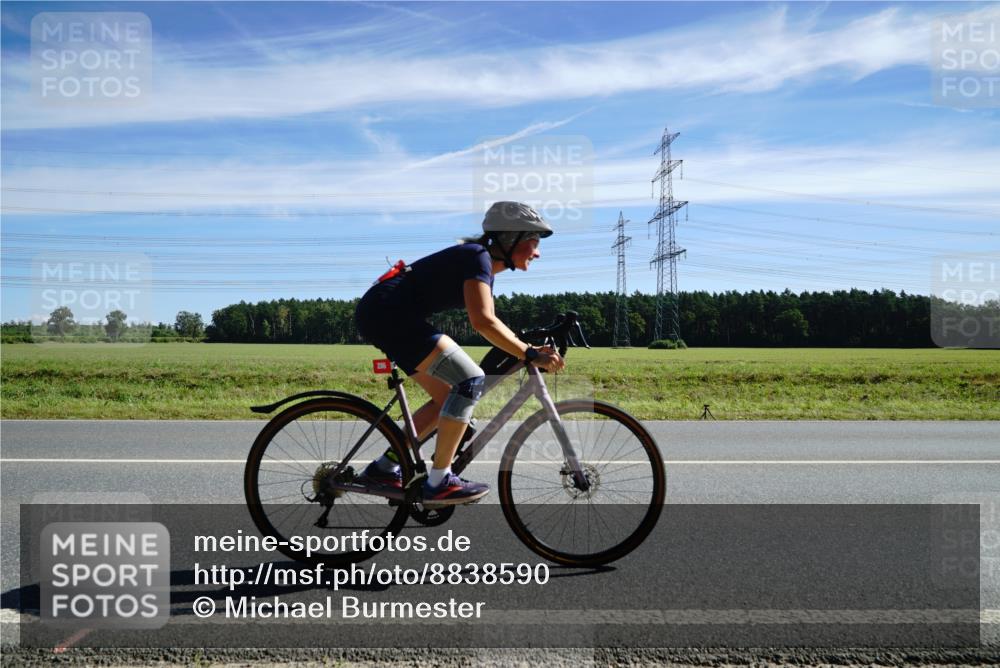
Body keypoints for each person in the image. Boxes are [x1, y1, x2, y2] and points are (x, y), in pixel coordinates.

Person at [354, 201, 565, 507]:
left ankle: (383, 469)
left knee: (447, 401)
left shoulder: (479, 262)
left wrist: (525, 347)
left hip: (383, 314)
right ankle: (438, 481)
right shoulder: (477, 258)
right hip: (390, 314)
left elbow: (490, 320)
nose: (537, 251)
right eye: (533, 242)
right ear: (511, 239)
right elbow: (483, 321)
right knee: (470, 381)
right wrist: (529, 353)